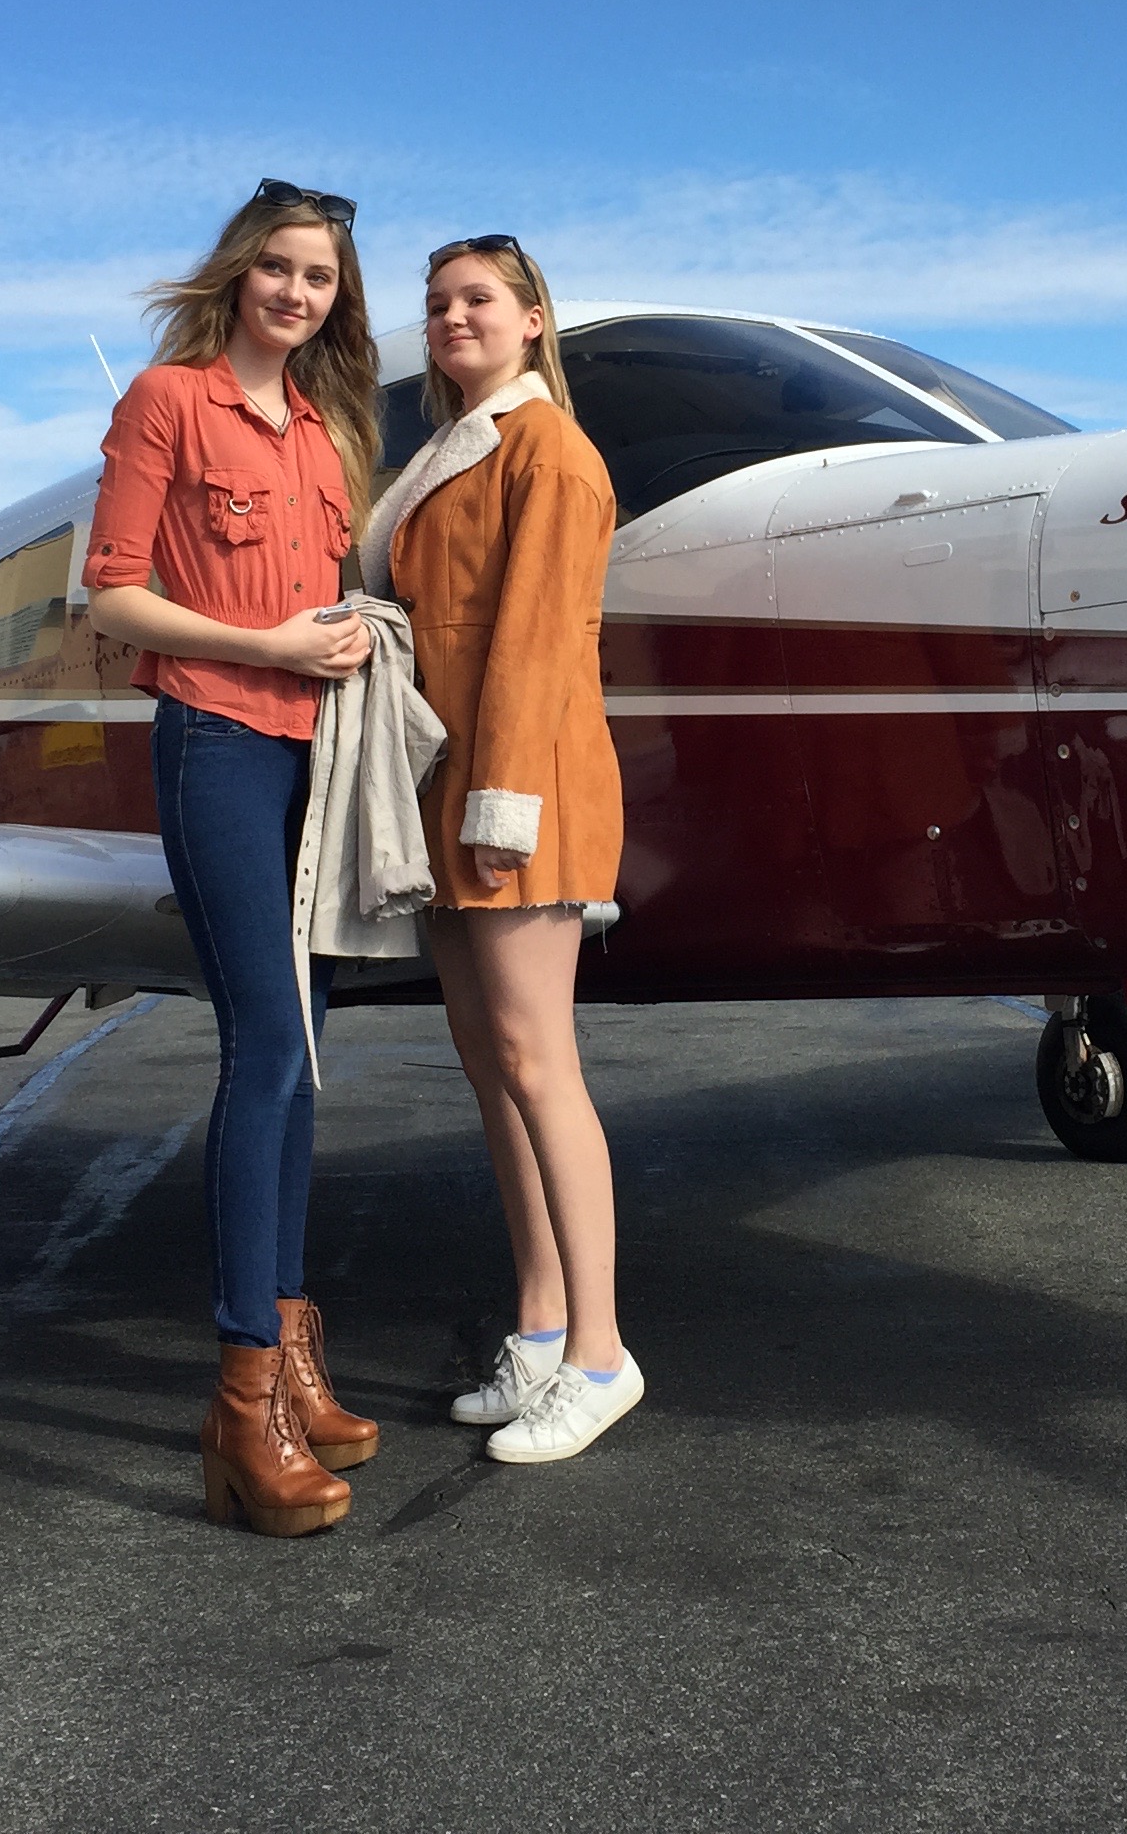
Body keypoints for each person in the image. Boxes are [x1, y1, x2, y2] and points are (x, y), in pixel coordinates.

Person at [84, 178, 390, 1537]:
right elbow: (113, 593)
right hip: (218, 740)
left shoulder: (326, 429)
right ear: (238, 274)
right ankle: (239, 1396)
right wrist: (266, 646)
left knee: (304, 1047)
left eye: (319, 278)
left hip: (316, 756)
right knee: (263, 1041)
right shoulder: (169, 403)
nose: (296, 293)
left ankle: (292, 1343)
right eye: (278, 268)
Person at [358, 236, 636, 1462]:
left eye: (478, 299)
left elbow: (534, 642)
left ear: (533, 321)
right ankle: (539, 1326)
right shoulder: (453, 453)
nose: (452, 316)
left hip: (522, 793)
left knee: (537, 1059)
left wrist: (500, 811)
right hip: (456, 787)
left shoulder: (547, 451)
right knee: (490, 1063)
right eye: (436, 303)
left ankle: (601, 1354)